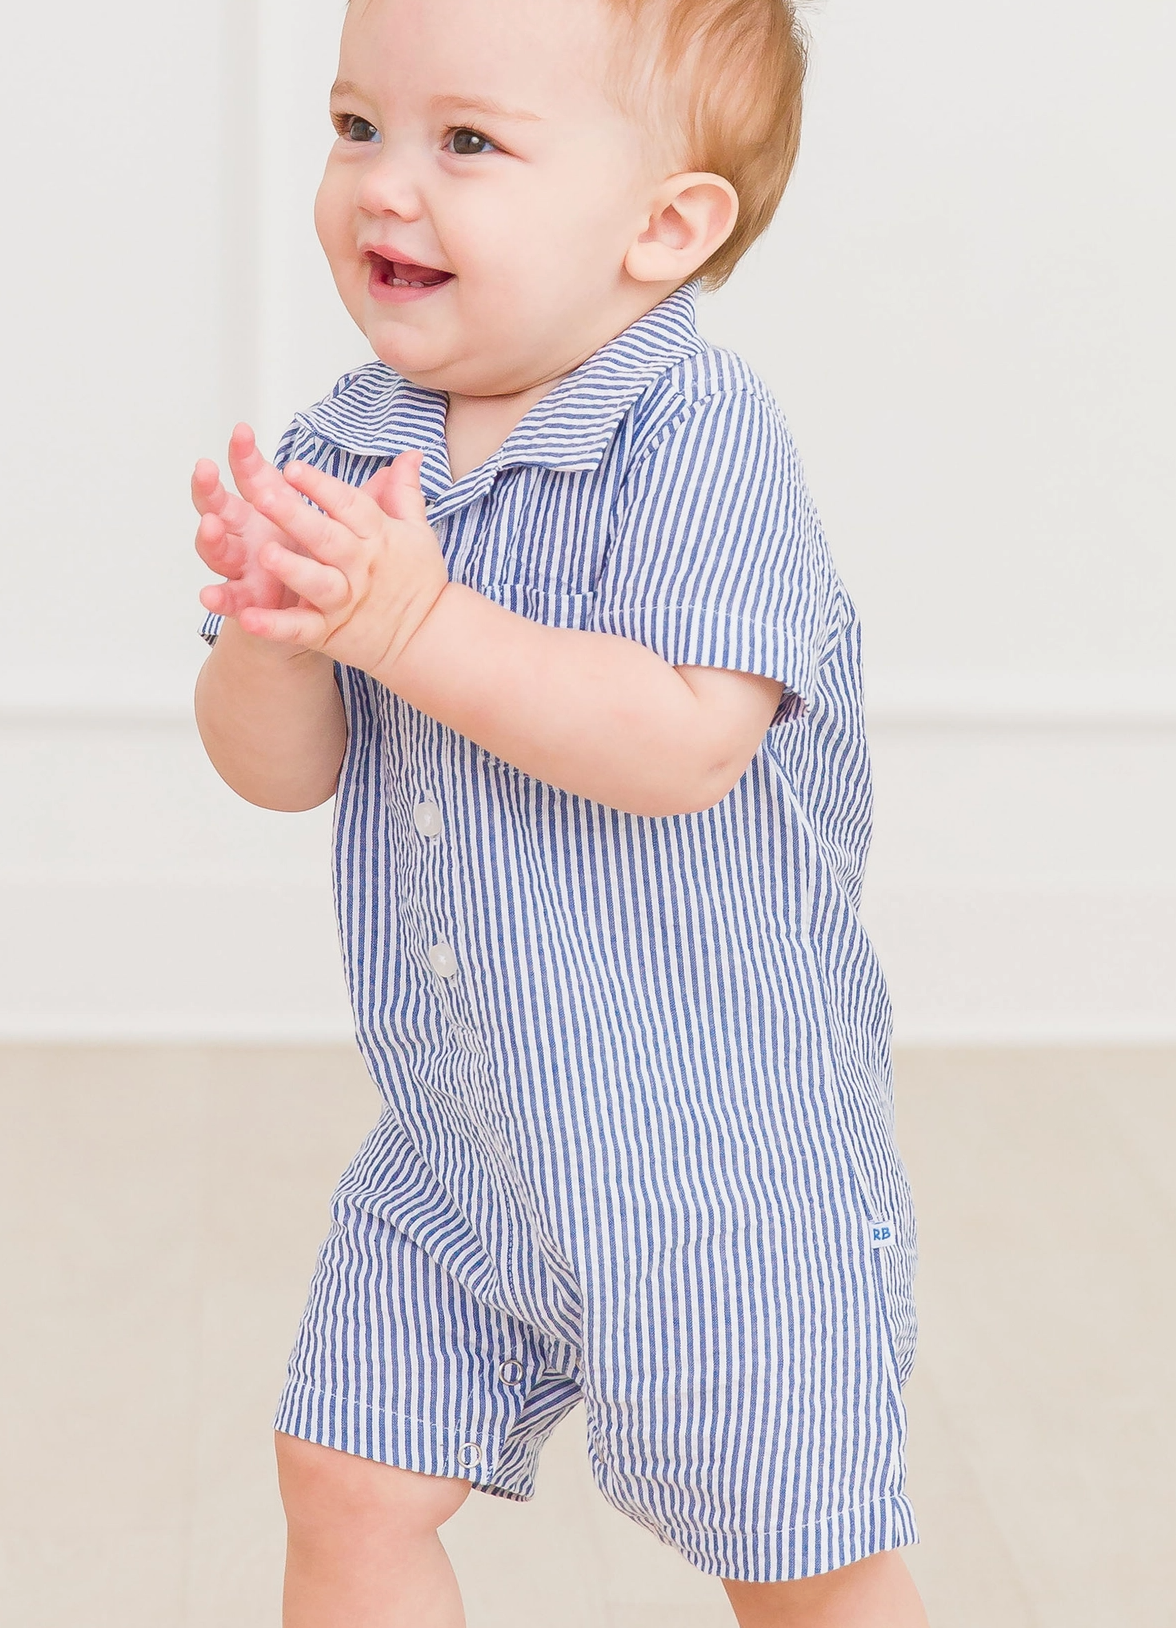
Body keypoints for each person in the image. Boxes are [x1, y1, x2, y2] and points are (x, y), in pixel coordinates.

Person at [192, 1, 928, 1623]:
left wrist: (407, 627)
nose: (387, 185)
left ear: (665, 226)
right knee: (342, 1473)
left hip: (721, 1162)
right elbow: (282, 768)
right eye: (355, 125)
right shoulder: (350, 445)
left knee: (799, 1553)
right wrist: (274, 634)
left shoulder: (696, 438)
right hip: (464, 1140)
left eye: (466, 142)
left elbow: (681, 745)